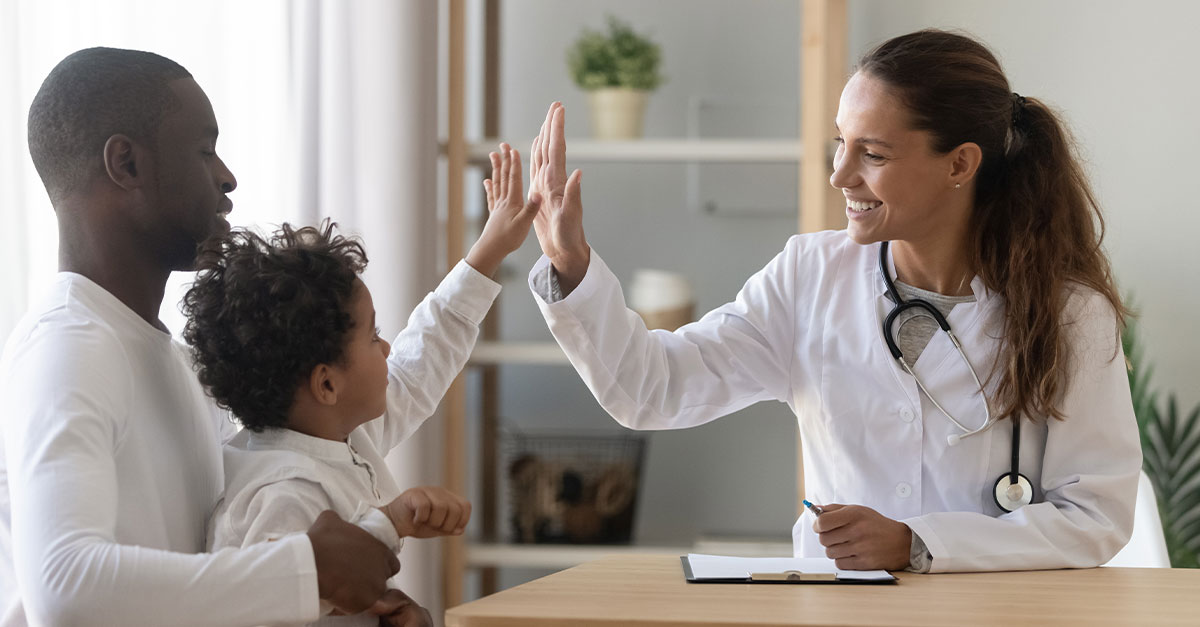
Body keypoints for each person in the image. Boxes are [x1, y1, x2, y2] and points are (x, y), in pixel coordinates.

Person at [523, 29, 1142, 573]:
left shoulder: (1069, 313)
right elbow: (651, 389)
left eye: (872, 154)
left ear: (959, 163)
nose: (840, 175)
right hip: (840, 609)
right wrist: (572, 270)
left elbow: (1095, 516)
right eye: (840, 143)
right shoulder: (809, 276)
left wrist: (919, 543)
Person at [0, 47, 531, 626]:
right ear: (125, 164)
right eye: (204, 151)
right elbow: (64, 590)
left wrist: (351, 605)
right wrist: (310, 573)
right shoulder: (67, 349)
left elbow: (369, 402)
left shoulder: (168, 360)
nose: (227, 176)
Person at [189, 188, 535, 625]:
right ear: (327, 384)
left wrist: (491, 249)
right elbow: (273, 598)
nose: (387, 347)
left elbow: (422, 359)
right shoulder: (280, 492)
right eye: (373, 336)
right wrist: (388, 522)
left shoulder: (335, 434)